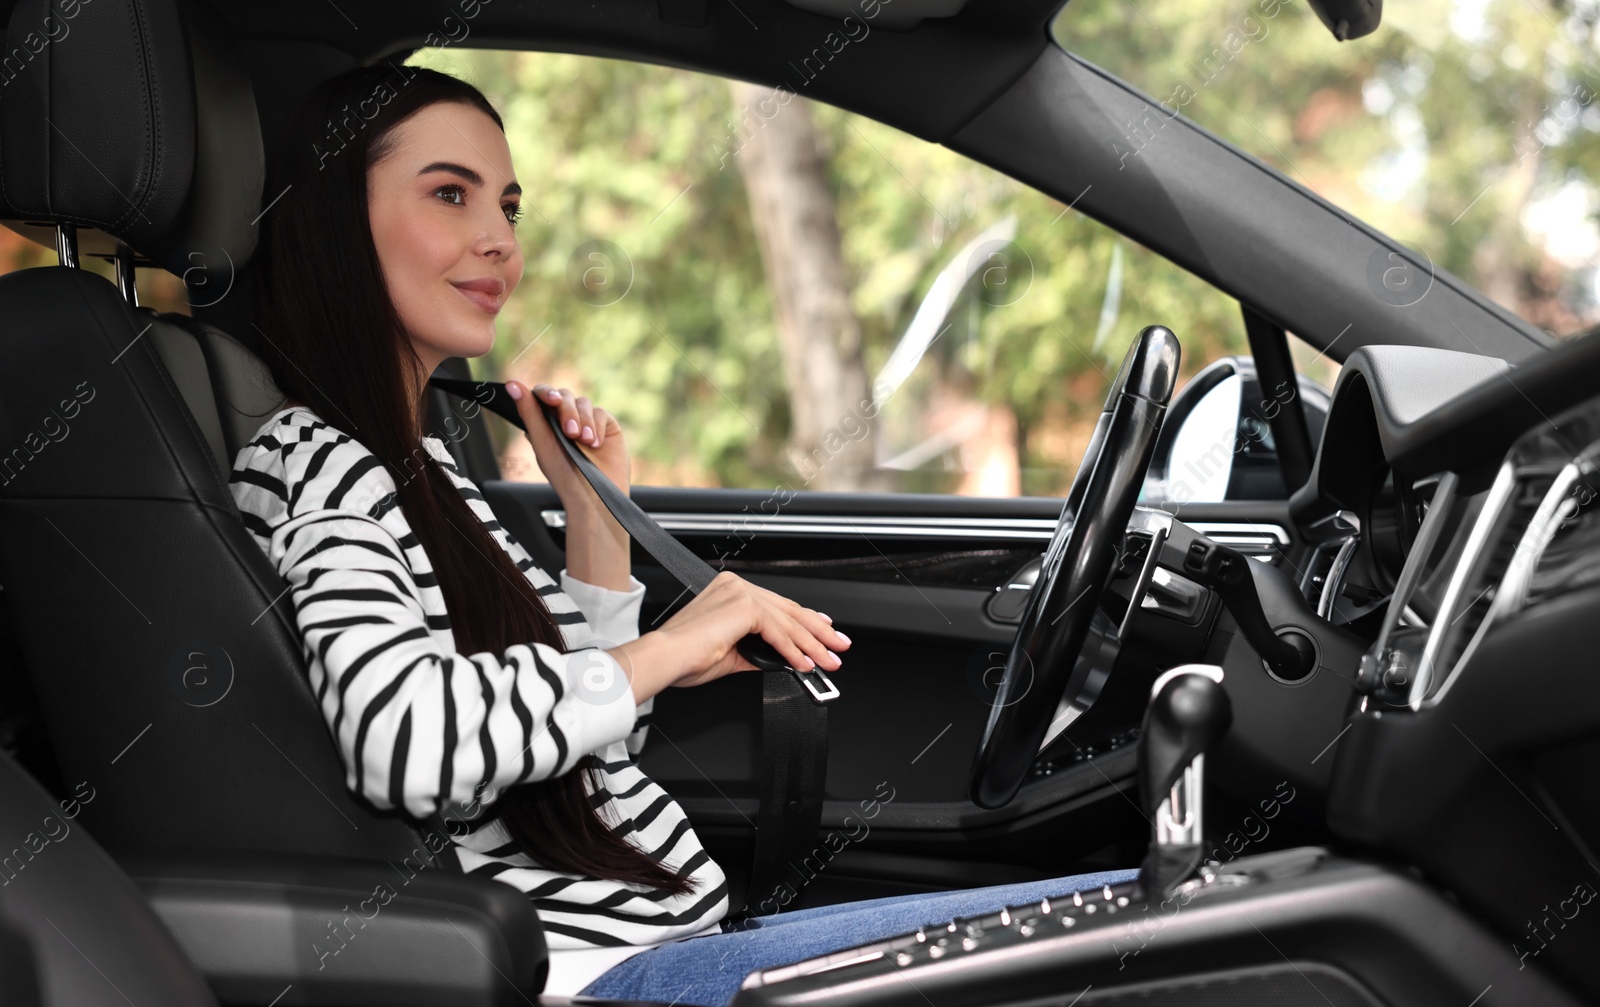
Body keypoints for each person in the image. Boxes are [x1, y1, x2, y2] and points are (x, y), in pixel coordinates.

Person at [229, 62, 1133, 1006]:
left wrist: (596, 520)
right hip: (593, 974)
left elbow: (573, 743)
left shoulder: (420, 458)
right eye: (450, 194)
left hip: (654, 940)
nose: (498, 240)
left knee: (1152, 918)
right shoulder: (317, 461)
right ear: (337, 215)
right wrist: (662, 651)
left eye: (509, 206)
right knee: (1169, 941)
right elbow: (405, 738)